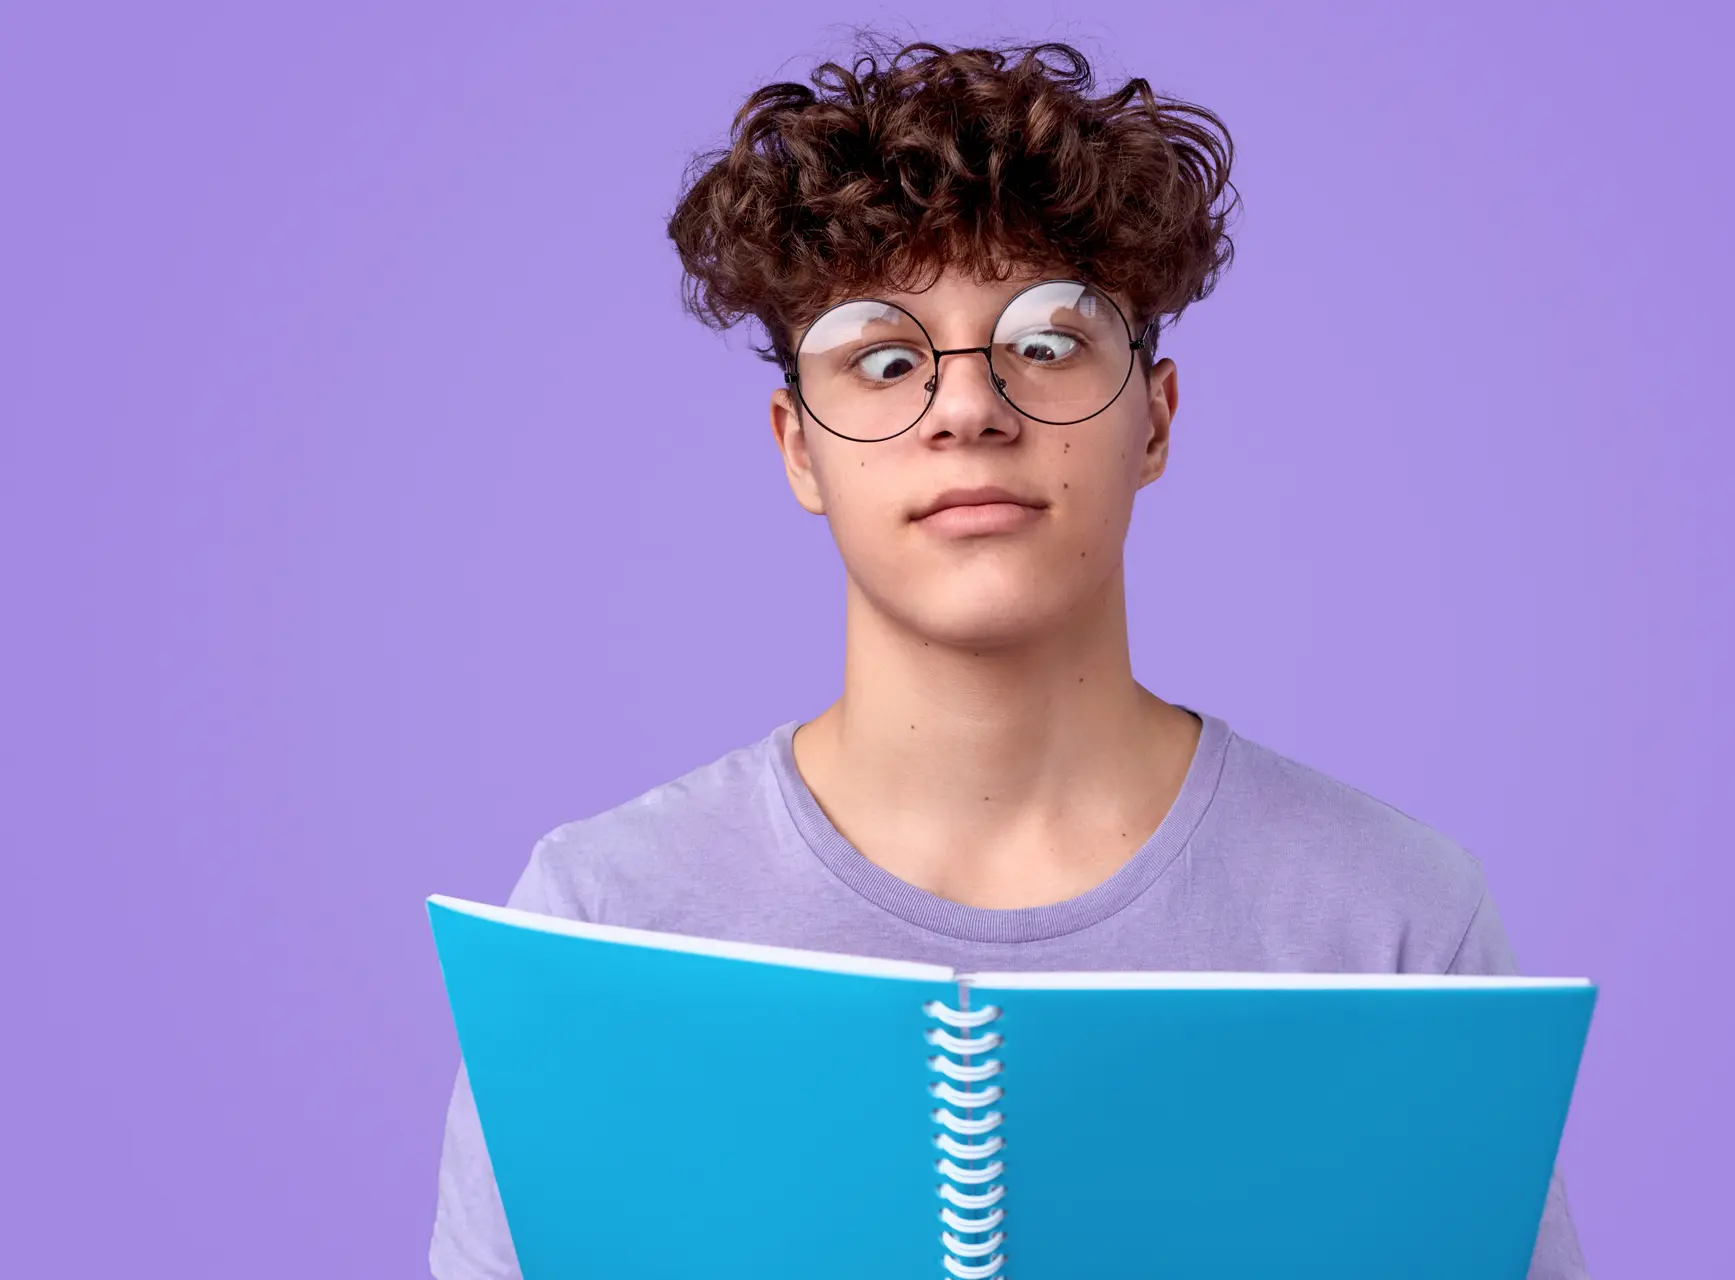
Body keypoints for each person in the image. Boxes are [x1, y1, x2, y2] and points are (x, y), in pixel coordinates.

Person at [428, 36, 1589, 1279]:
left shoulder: (1395, 921)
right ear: (798, 447)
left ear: (1156, 417)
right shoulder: (601, 920)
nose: (966, 408)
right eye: (883, 358)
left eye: (1046, 342)